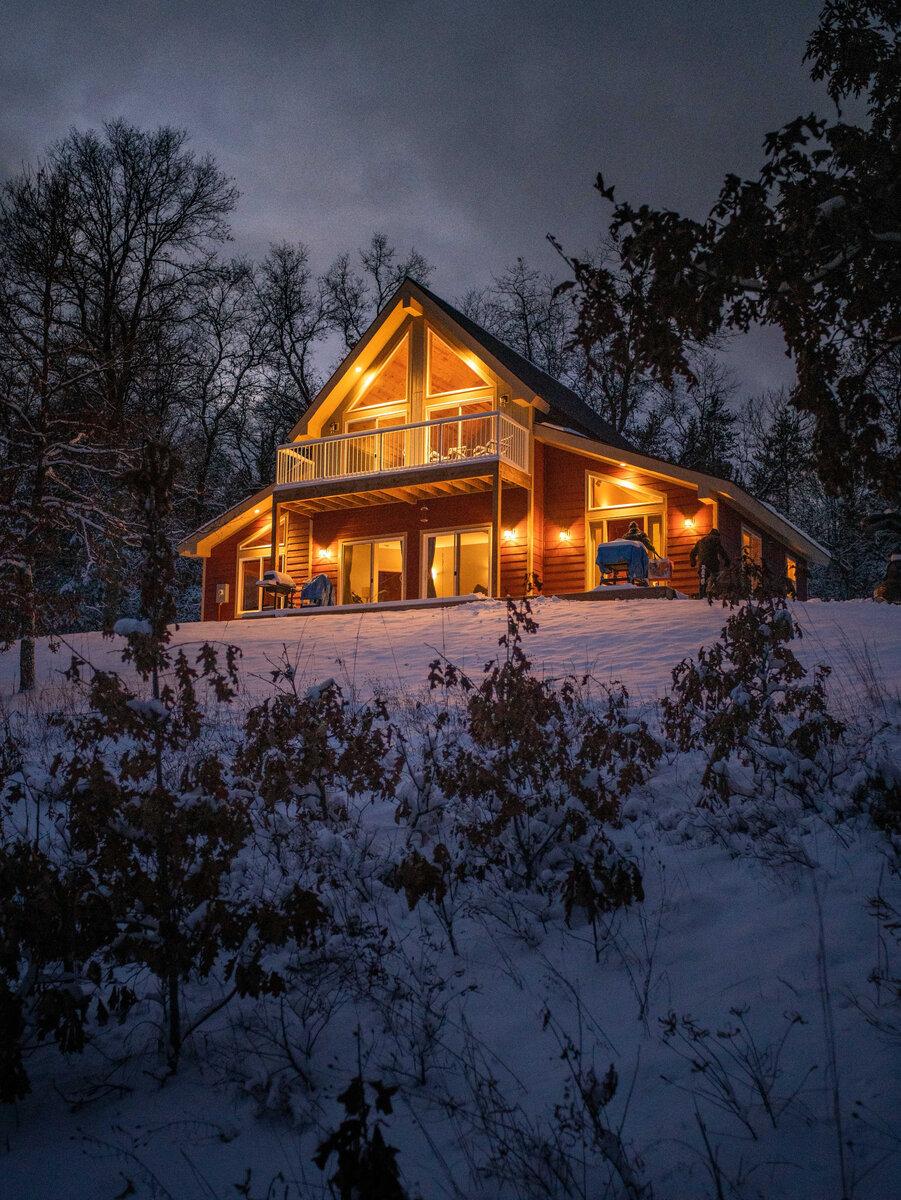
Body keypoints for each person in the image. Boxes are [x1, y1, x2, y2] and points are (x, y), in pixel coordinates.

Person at [689, 528, 730, 598]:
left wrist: (693, 562)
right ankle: (715, 597)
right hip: (713, 565)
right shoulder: (716, 540)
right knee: (715, 581)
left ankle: (702, 596)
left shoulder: (700, 542)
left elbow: (692, 553)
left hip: (702, 565)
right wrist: (727, 561)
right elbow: (721, 551)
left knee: (703, 581)